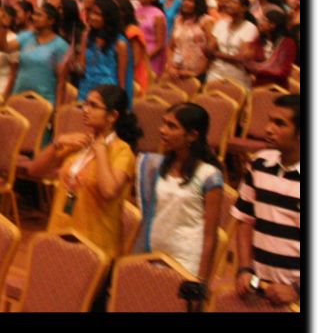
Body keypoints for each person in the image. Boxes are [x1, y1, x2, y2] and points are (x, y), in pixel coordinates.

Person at [26, 84, 140, 258]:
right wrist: (57, 143)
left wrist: (101, 152)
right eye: (86, 104)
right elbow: (34, 170)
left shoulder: (122, 152)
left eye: (93, 106)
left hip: (95, 245)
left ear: (112, 116)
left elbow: (109, 191)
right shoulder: (79, 142)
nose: (85, 110)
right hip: (60, 231)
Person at [135, 103, 224, 281]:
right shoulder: (156, 166)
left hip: (186, 260)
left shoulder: (208, 175)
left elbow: (210, 236)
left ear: (192, 135)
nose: (162, 130)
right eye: (163, 123)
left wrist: (201, 281)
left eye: (172, 126)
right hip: (153, 251)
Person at [232, 93, 300, 307]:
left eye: (280, 123)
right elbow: (245, 221)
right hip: (260, 287)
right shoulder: (259, 163)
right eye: (270, 120)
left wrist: (297, 289)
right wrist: (244, 268)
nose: (268, 129)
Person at [8, 3, 69, 107]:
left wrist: (58, 108)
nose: (34, 18)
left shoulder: (61, 45)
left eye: (39, 15)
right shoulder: (27, 36)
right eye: (34, 14)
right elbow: (4, 48)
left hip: (43, 101)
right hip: (19, 95)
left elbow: (61, 81)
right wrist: (3, 28)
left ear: (51, 21)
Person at [78, 0, 131, 104]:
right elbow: (82, 68)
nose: (92, 17)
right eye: (92, 12)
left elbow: (122, 80)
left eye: (98, 14)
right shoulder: (87, 35)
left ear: (108, 17)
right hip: (86, 88)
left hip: (107, 93)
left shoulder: (120, 43)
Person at [205, 0, 258, 91]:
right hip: (215, 73)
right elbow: (209, 50)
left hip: (237, 77)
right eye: (229, 2)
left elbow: (241, 58)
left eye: (234, 2)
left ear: (244, 8)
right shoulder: (221, 24)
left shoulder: (250, 28)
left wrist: (216, 54)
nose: (229, 5)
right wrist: (226, 56)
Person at [167, 0, 212, 79]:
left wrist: (197, 72)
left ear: (198, 3)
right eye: (185, 0)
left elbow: (211, 51)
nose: (185, 3)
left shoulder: (206, 21)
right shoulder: (178, 20)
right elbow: (171, 47)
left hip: (198, 72)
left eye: (190, 0)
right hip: (177, 70)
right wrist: (171, 66)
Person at [246, 9, 297, 88]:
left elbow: (282, 71)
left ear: (272, 25)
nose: (260, 22)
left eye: (264, 20)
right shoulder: (260, 39)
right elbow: (248, 60)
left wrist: (257, 68)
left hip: (276, 87)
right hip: (257, 84)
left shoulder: (287, 43)